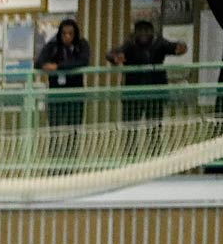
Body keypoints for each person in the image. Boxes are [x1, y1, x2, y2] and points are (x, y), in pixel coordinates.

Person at [106, 21, 186, 155]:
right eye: (140, 30)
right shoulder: (129, 44)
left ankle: (155, 161)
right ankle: (130, 163)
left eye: (146, 30)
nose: (143, 34)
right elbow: (110, 54)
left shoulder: (159, 42)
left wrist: (181, 47)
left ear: (152, 32)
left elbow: (175, 47)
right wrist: (115, 58)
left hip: (155, 93)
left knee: (154, 131)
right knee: (131, 133)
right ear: (135, 32)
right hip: (133, 95)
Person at [34, 18, 90, 161]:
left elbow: (82, 61)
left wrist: (58, 67)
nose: (67, 37)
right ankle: (54, 161)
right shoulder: (53, 45)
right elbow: (39, 62)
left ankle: (72, 161)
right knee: (54, 131)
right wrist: (46, 65)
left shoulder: (81, 45)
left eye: (70, 34)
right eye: (64, 34)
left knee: (74, 131)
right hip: (56, 94)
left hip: (75, 94)